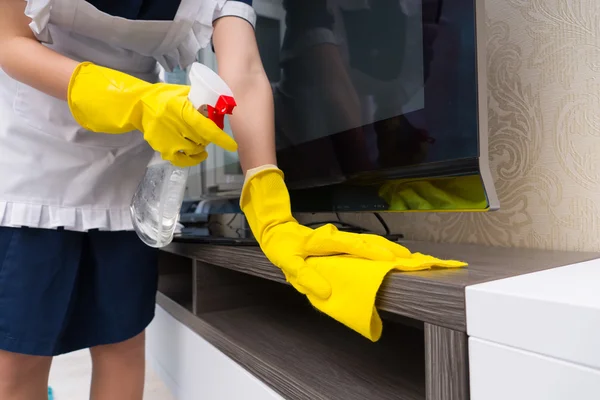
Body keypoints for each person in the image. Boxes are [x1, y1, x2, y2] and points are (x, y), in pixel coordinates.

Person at [0, 0, 421, 399]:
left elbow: (246, 72)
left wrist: (270, 204)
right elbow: (9, 40)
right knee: (21, 357)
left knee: (122, 341)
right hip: (33, 161)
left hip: (127, 174)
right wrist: (133, 99)